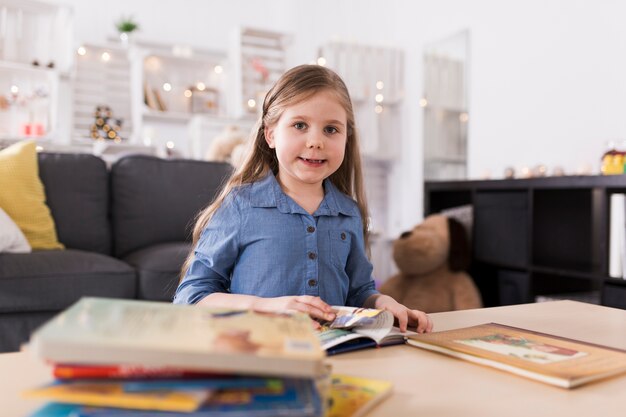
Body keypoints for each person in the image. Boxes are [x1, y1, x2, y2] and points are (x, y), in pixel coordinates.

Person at [174, 64, 433, 333]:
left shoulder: (349, 213)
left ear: (346, 138)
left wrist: (383, 302)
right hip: (259, 355)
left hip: (335, 359)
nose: (315, 141)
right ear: (271, 134)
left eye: (331, 130)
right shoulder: (241, 205)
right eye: (300, 125)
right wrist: (268, 306)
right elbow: (192, 297)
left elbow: (359, 292)